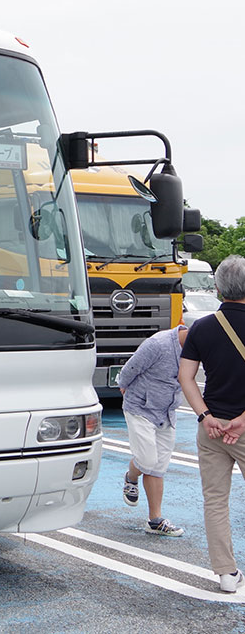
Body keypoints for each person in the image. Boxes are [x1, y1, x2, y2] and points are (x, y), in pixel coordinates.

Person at [179, 254, 245, 593]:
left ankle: (225, 573)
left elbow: (186, 377)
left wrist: (205, 416)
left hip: (213, 428)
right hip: (243, 427)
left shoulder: (202, 327)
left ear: (218, 288)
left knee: (215, 499)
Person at [117, 323, 188, 537]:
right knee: (147, 461)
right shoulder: (159, 344)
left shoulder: (197, 350)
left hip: (167, 412)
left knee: (158, 467)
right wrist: (124, 387)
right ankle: (131, 475)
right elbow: (131, 367)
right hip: (140, 407)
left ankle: (155, 520)